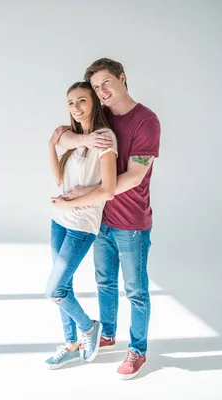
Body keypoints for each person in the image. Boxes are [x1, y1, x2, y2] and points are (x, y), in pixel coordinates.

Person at [56, 58, 161, 379]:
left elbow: (134, 176)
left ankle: (138, 350)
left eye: (107, 83)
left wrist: (80, 196)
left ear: (123, 79)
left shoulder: (146, 120)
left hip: (132, 222)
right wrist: (83, 139)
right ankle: (108, 333)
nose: (102, 91)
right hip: (100, 220)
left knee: (136, 290)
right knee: (104, 283)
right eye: (96, 87)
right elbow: (60, 136)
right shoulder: (101, 118)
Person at [44, 81, 118, 369]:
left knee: (54, 290)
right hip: (59, 221)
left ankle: (89, 329)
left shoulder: (105, 138)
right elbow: (59, 179)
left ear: (94, 103)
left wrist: (70, 203)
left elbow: (108, 190)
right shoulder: (74, 139)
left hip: (82, 224)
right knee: (65, 286)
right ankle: (71, 343)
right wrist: (51, 144)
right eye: (70, 103)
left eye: (81, 101)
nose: (75, 108)